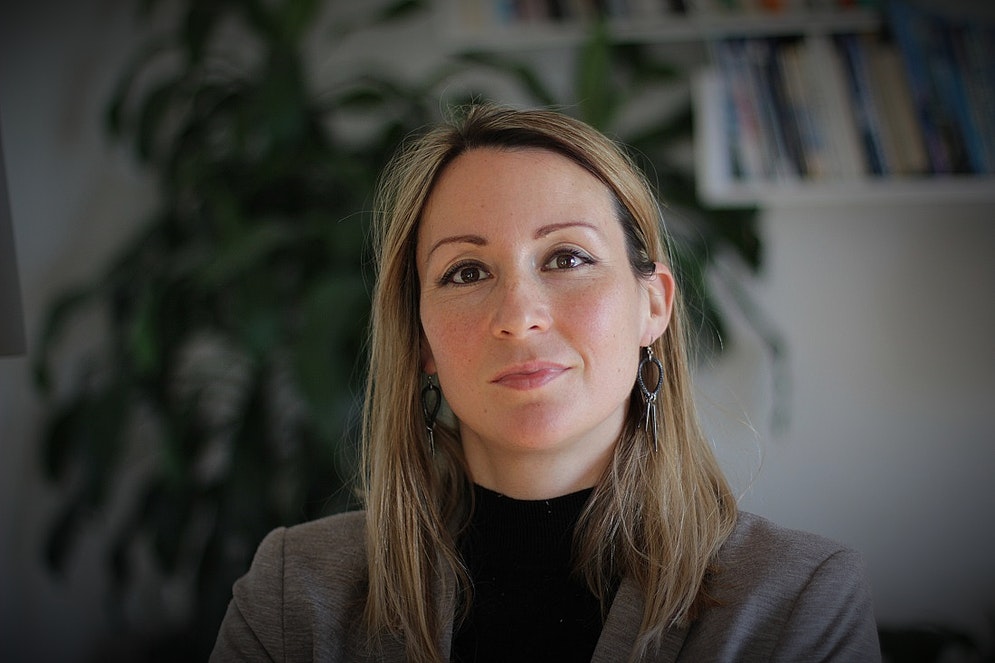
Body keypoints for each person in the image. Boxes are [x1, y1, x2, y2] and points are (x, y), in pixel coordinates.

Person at [210, 104, 880, 662]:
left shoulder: (796, 601)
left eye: (566, 257)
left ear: (653, 305)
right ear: (419, 340)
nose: (519, 316)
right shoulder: (293, 592)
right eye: (467, 272)